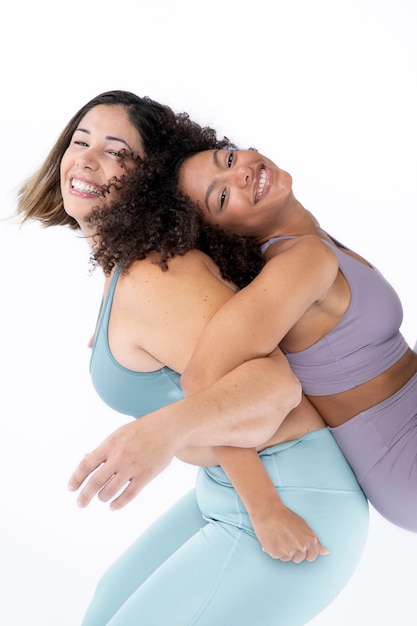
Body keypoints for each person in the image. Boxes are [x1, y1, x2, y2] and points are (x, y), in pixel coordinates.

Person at [16, 90, 368, 625]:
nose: (86, 159)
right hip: (233, 492)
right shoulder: (129, 269)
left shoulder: (155, 273)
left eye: (116, 152)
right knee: (107, 606)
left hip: (293, 500)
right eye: (80, 140)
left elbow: (273, 386)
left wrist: (163, 432)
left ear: (149, 183)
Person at [137, 129, 417, 533]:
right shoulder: (299, 261)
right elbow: (201, 378)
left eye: (228, 159)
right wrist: (264, 509)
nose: (241, 175)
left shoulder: (308, 240)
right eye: (221, 196)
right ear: (222, 234)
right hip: (402, 455)